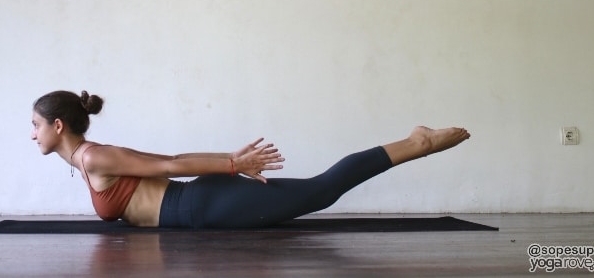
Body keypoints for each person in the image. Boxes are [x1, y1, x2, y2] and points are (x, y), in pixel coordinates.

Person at [31, 90, 471, 229]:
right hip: (199, 210)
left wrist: (231, 163)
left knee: (322, 189)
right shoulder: (86, 159)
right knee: (319, 191)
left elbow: (169, 163)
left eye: (35, 124)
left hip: (202, 206)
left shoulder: (93, 157)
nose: (31, 134)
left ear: (58, 127)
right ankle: (416, 142)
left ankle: (418, 143)